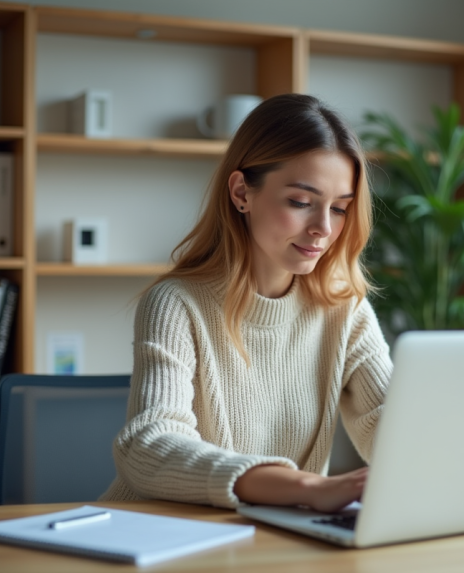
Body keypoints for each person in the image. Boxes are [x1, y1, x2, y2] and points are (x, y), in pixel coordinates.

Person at [100, 93, 392, 512]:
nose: (323, 229)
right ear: (241, 192)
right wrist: (306, 488)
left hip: (270, 539)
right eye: (301, 202)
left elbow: (389, 423)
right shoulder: (176, 305)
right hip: (156, 534)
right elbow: (147, 447)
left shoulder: (344, 309)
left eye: (340, 208)